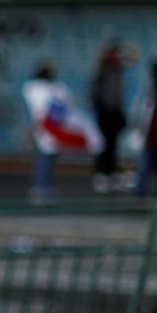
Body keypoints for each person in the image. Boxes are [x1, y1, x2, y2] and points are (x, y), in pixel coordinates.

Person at [22, 61, 103, 202]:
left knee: (49, 159)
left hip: (50, 131)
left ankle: (46, 186)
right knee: (44, 160)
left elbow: (65, 108)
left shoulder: (53, 88)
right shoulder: (34, 89)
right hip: (44, 131)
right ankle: (39, 188)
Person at [89, 42, 131, 193]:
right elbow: (94, 93)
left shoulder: (119, 70)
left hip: (116, 114)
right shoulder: (102, 71)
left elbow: (135, 56)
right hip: (104, 114)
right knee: (102, 146)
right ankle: (101, 174)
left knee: (113, 146)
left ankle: (111, 173)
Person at [133, 61, 157, 198]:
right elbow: (141, 111)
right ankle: (139, 194)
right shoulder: (149, 92)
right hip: (150, 137)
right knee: (143, 168)